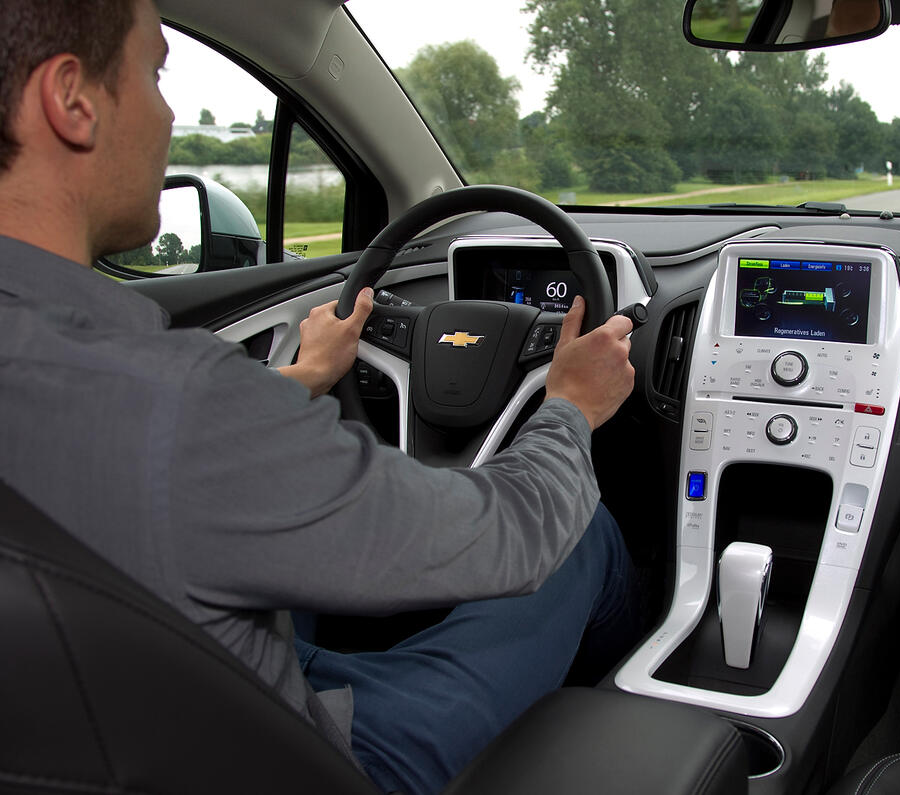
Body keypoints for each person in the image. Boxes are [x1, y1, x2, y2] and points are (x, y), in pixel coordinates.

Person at [0, 1, 637, 793]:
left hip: (149, 710)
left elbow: (143, 473)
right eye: (155, 71)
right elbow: (507, 532)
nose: (167, 113)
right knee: (578, 532)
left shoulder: (109, 389)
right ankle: (620, 729)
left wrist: (299, 379)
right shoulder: (179, 402)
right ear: (72, 100)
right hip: (315, 758)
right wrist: (569, 406)